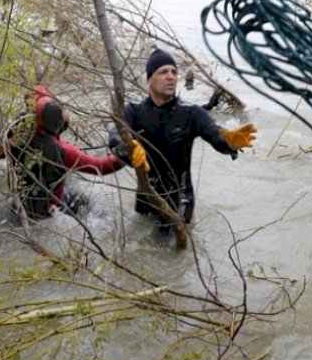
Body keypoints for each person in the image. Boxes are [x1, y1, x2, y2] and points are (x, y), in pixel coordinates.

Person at [109, 48, 257, 232]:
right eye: (163, 72)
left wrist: (230, 142)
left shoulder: (191, 113)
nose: (170, 76)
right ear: (149, 80)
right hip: (146, 194)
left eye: (174, 72)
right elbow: (114, 134)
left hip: (180, 198)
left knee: (170, 247)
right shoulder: (134, 111)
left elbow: (215, 134)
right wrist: (128, 147)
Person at [1, 84, 149, 219]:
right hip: (53, 211)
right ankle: (91, 220)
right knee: (92, 210)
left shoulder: (13, 137)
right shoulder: (63, 151)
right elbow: (101, 167)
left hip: (20, 207)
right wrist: (127, 153)